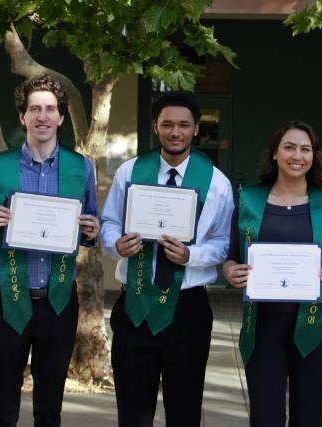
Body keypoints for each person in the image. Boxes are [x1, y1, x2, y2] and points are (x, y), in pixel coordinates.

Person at [0, 74, 99, 426]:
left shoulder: (80, 166)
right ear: (23, 117)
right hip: (8, 296)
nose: (42, 116)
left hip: (58, 299)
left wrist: (91, 231)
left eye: (50, 109)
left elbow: (89, 224)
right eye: (34, 109)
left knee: (49, 406)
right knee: (3, 405)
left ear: (60, 117)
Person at [100, 91, 234, 426]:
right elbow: (109, 222)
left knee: (185, 410)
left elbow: (224, 242)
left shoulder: (217, 182)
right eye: (168, 124)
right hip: (135, 306)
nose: (176, 132)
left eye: (184, 125)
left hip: (187, 310)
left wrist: (192, 255)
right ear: (156, 127)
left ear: (195, 129)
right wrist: (117, 244)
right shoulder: (131, 172)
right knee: (133, 411)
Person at [222, 120, 322, 426]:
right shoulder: (250, 200)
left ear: (313, 157)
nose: (298, 155)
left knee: (308, 417)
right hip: (262, 325)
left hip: (315, 325)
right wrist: (232, 272)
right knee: (265, 417)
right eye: (289, 147)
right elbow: (231, 258)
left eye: (305, 149)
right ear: (274, 154)